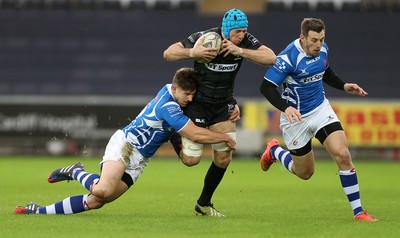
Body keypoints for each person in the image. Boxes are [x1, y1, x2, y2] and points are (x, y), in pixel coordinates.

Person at [13, 67, 236, 215]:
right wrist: (224, 137)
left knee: (96, 201)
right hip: (126, 145)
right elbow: (196, 135)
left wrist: (229, 105)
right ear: (175, 89)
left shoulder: (172, 90)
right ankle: (76, 171)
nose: (190, 98)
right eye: (186, 94)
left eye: (192, 94)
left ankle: (38, 211)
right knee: (102, 190)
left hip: (140, 160)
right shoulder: (167, 105)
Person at [259, 17, 377, 222]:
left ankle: (359, 212)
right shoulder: (288, 58)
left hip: (320, 109)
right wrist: (285, 108)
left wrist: (344, 85)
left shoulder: (323, 49)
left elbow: (325, 71)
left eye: (322, 39)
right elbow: (266, 87)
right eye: (314, 40)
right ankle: (275, 151)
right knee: (304, 173)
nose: (318, 44)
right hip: (295, 118)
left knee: (342, 153)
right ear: (302, 38)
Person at [163, 8, 276, 217]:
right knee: (191, 160)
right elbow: (168, 53)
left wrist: (239, 50)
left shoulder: (243, 42)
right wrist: (193, 53)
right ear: (226, 30)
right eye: (237, 32)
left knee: (224, 158)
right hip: (197, 103)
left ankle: (203, 203)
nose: (241, 35)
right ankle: (173, 134)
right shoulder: (204, 38)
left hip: (223, 105)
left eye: (244, 31)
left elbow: (271, 58)